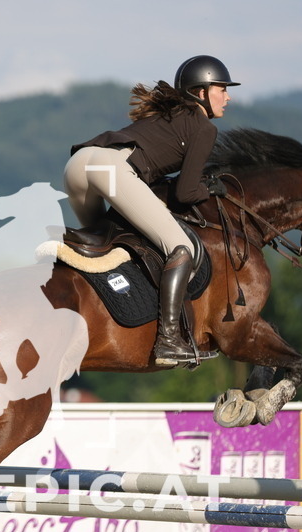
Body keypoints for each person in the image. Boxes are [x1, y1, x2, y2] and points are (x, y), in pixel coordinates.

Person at [63, 55, 239, 367]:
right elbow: (186, 193)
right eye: (221, 89)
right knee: (181, 248)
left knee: (105, 250)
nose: (227, 96)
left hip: (78, 164)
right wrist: (211, 189)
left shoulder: (170, 114)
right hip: (111, 171)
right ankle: (169, 340)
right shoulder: (202, 126)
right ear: (201, 92)